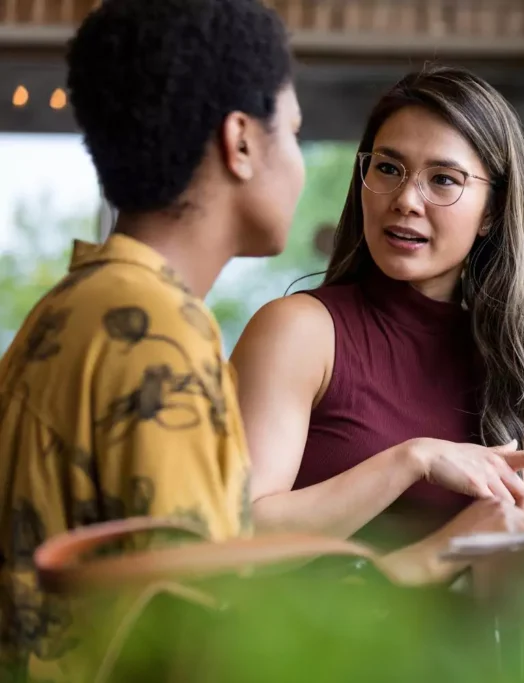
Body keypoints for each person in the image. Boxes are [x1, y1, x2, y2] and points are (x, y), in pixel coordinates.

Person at [0, 0, 303, 677]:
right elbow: (200, 631)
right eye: (293, 131)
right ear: (241, 141)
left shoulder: (74, 306)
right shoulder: (157, 335)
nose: (300, 164)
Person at [231, 66, 524, 586]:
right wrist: (411, 459)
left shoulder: (519, 363)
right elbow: (237, 542)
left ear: (492, 211)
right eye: (388, 168)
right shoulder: (300, 332)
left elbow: (509, 551)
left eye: (443, 179)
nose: (406, 200)